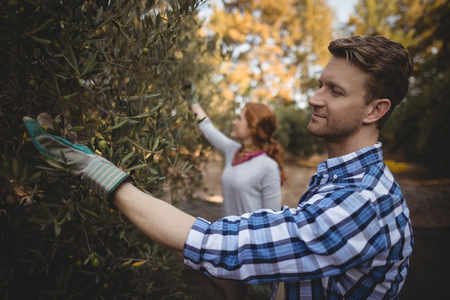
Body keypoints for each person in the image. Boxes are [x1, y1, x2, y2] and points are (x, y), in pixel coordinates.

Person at [24, 35, 414, 299]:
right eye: (320, 84)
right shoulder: (342, 177)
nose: (314, 98)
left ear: (375, 110)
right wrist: (192, 103)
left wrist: (95, 169)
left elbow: (225, 242)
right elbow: (209, 130)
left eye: (335, 91)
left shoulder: (361, 203)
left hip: (245, 253)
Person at [185, 99, 286, 299]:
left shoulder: (268, 167)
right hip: (228, 242)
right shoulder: (233, 151)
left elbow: (272, 220)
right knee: (233, 293)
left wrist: (263, 268)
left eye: (239, 118)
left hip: (252, 249)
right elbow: (207, 128)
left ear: (252, 128)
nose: (233, 121)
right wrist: (193, 102)